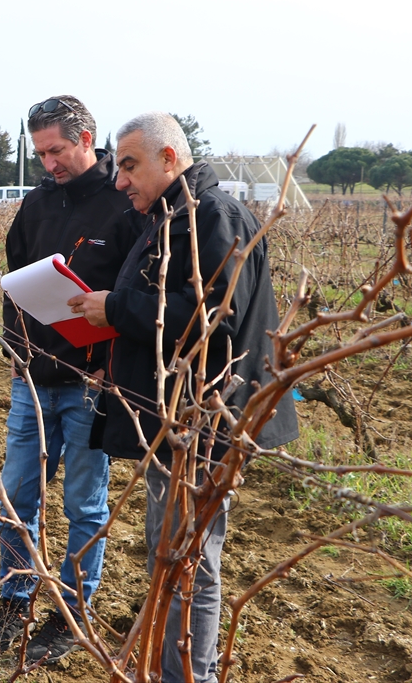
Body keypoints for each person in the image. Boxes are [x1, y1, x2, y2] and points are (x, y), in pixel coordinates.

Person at [69, 112, 298, 683]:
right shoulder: (171, 216)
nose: (119, 181)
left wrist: (114, 310)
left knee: (189, 560)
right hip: (174, 421)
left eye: (129, 166)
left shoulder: (210, 217)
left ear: (170, 158)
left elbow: (215, 323)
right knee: (170, 553)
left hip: (203, 425)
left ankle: (188, 675)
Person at [0, 95, 140, 663]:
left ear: (86, 139)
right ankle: (15, 599)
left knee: (84, 503)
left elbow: (134, 298)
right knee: (17, 496)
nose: (48, 163)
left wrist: (113, 364)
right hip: (32, 377)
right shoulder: (34, 206)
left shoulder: (123, 206)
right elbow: (14, 280)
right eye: (40, 153)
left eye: (55, 150)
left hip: (90, 383)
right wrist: (15, 345)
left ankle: (72, 612)